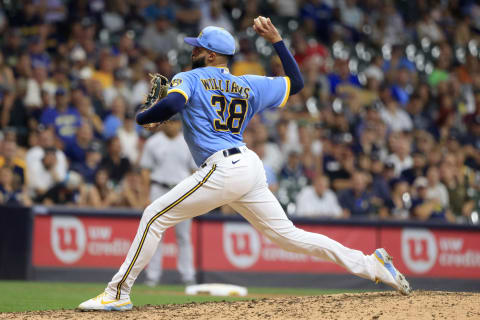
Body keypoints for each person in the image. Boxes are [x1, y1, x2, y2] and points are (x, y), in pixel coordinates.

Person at [79, 18, 411, 311]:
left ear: (209, 55)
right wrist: (278, 41)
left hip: (222, 167)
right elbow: (297, 83)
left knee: (154, 216)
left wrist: (144, 117)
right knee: (289, 236)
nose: (192, 51)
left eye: (198, 48)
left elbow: (175, 102)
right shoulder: (247, 82)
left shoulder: (190, 77)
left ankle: (117, 293)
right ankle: (373, 265)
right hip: (249, 165)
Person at [140, 116, 197, 287]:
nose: (169, 124)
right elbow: (145, 171)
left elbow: (195, 171)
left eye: (173, 121)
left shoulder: (188, 142)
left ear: (180, 124)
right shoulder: (153, 142)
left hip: (182, 190)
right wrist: (145, 195)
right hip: (159, 187)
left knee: (184, 236)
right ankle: (153, 276)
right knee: (155, 234)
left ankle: (188, 275)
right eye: (166, 121)